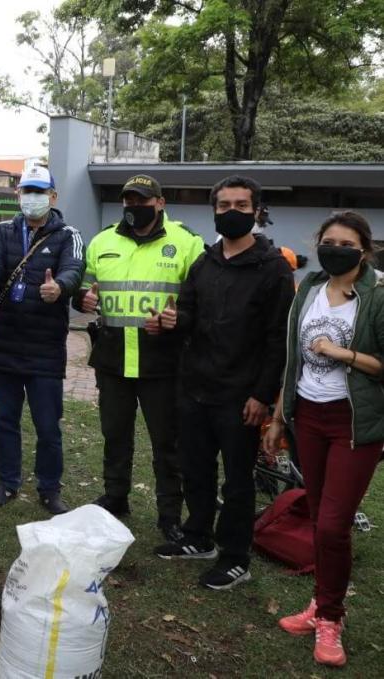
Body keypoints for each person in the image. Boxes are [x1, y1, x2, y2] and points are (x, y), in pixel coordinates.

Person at [154, 175, 294, 591]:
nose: (232, 212)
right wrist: (172, 321)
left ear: (256, 211)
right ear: (213, 210)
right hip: (196, 387)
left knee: (236, 480)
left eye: (241, 205)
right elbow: (190, 314)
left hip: (241, 395)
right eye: (224, 205)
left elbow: (277, 340)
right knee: (195, 468)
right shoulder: (206, 261)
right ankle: (198, 536)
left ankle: (235, 556)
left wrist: (262, 395)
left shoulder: (273, 269)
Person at [266, 211, 384, 667]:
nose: (335, 248)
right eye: (328, 240)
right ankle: (320, 603)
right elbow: (292, 358)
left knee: (334, 524)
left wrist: (345, 353)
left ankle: (331, 618)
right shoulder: (310, 290)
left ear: (363, 250)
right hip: (307, 418)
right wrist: (279, 418)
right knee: (318, 518)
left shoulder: (376, 296)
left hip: (354, 422)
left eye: (346, 242)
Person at [75, 174, 204, 541]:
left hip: (163, 363)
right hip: (113, 360)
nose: (134, 207)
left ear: (160, 203)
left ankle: (169, 514)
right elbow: (85, 287)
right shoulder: (102, 242)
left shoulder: (187, 243)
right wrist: (80, 298)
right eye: (129, 201)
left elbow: (200, 303)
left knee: (167, 443)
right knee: (115, 436)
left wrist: (179, 319)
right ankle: (116, 497)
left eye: (142, 200)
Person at [0, 166, 84, 515]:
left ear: (52, 197)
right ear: (19, 195)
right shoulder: (4, 231)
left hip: (45, 348)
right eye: (26, 191)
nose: (31, 198)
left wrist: (60, 287)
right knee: (6, 420)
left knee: (48, 426)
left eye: (39, 191)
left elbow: (74, 269)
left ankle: (49, 488)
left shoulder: (68, 234)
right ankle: (7, 482)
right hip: (5, 344)